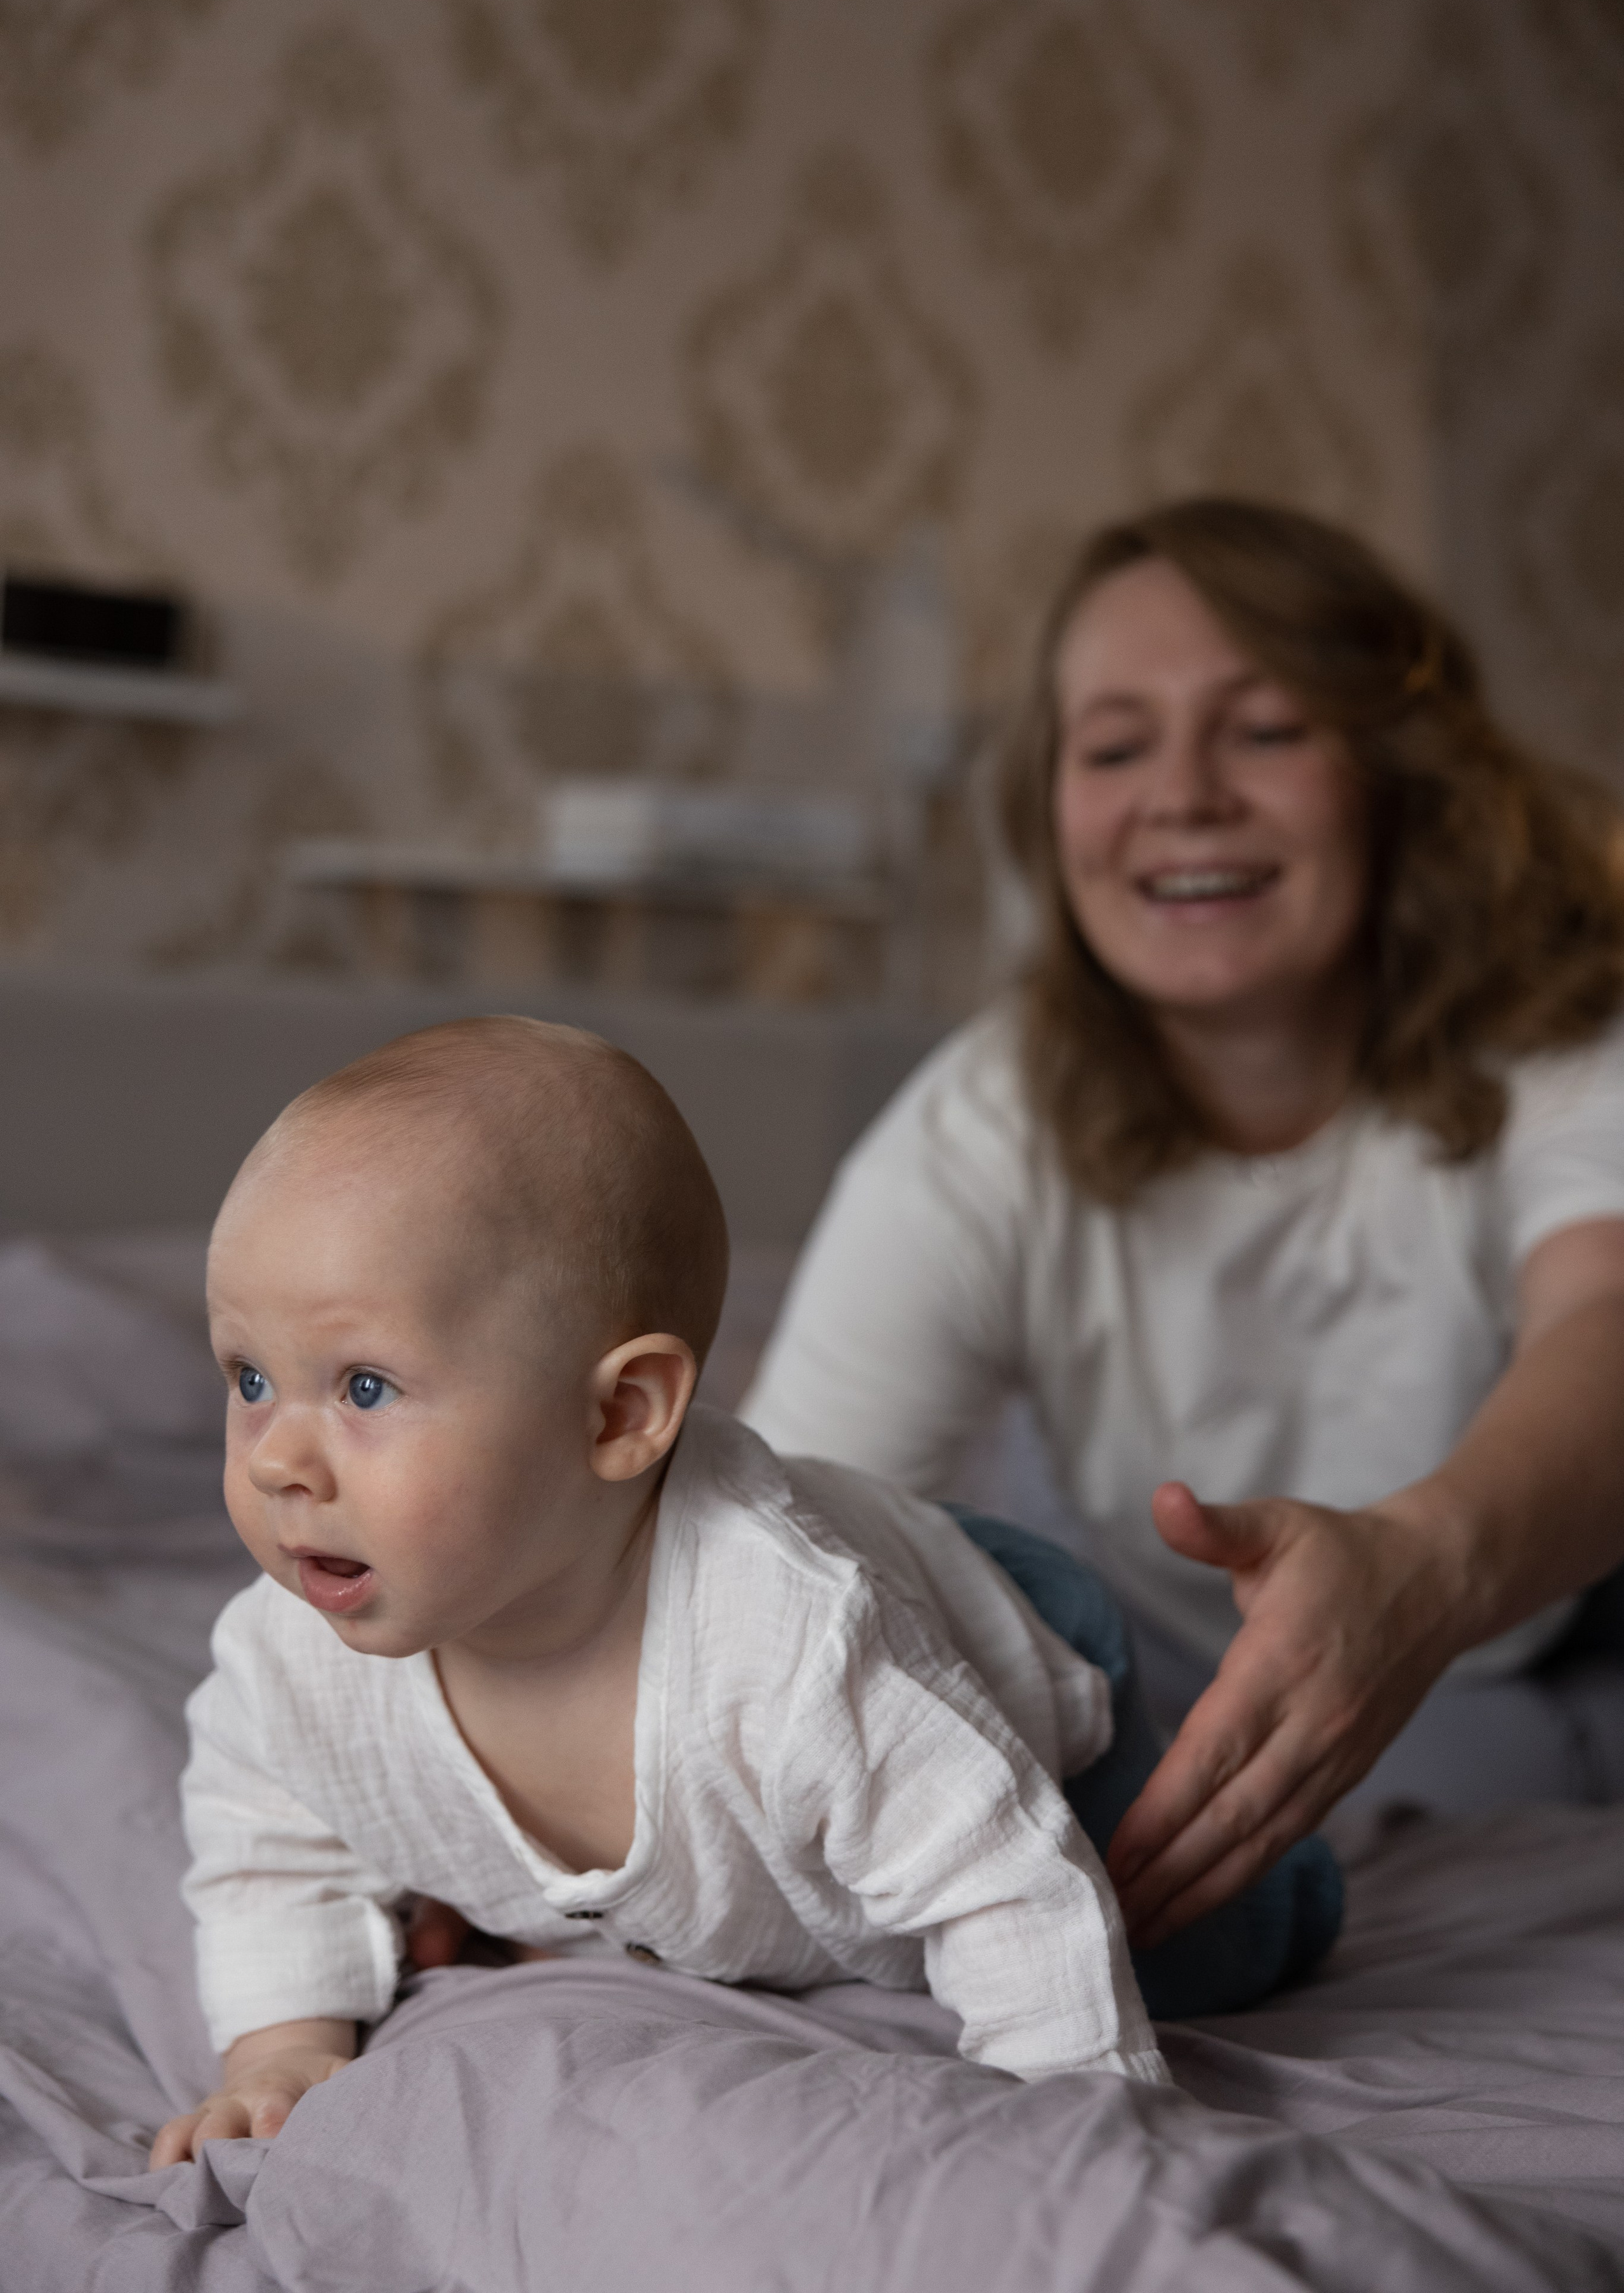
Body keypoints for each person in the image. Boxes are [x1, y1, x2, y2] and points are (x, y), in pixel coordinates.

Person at [742, 495, 1624, 1959]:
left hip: (1500, 1636)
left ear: (1395, 777)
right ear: (1051, 814)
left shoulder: (1559, 1035)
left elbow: (1603, 1318)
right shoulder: (982, 1124)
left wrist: (1417, 1568)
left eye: (1263, 729)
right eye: (1112, 747)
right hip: (1141, 1639)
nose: (1183, 794)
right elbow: (779, 1538)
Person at [155, 1016, 1203, 2171]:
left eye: (364, 1386)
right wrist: (285, 2045)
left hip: (1008, 1648)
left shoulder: (795, 1643)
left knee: (1196, 1935)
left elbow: (1000, 1875)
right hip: (774, 1855)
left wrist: (1072, 2120)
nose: (276, 1460)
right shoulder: (290, 1658)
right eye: (250, 1377)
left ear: (620, 1413)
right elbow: (267, 1840)